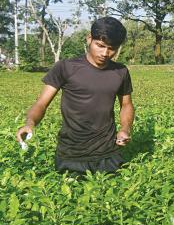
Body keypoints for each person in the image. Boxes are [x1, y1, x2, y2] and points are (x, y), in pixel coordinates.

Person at [15, 17, 134, 174]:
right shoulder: (66, 67)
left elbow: (126, 104)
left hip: (108, 154)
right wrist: (30, 123)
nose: (105, 53)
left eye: (112, 48)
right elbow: (41, 103)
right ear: (89, 39)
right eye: (100, 46)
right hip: (71, 155)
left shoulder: (120, 71)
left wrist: (126, 128)